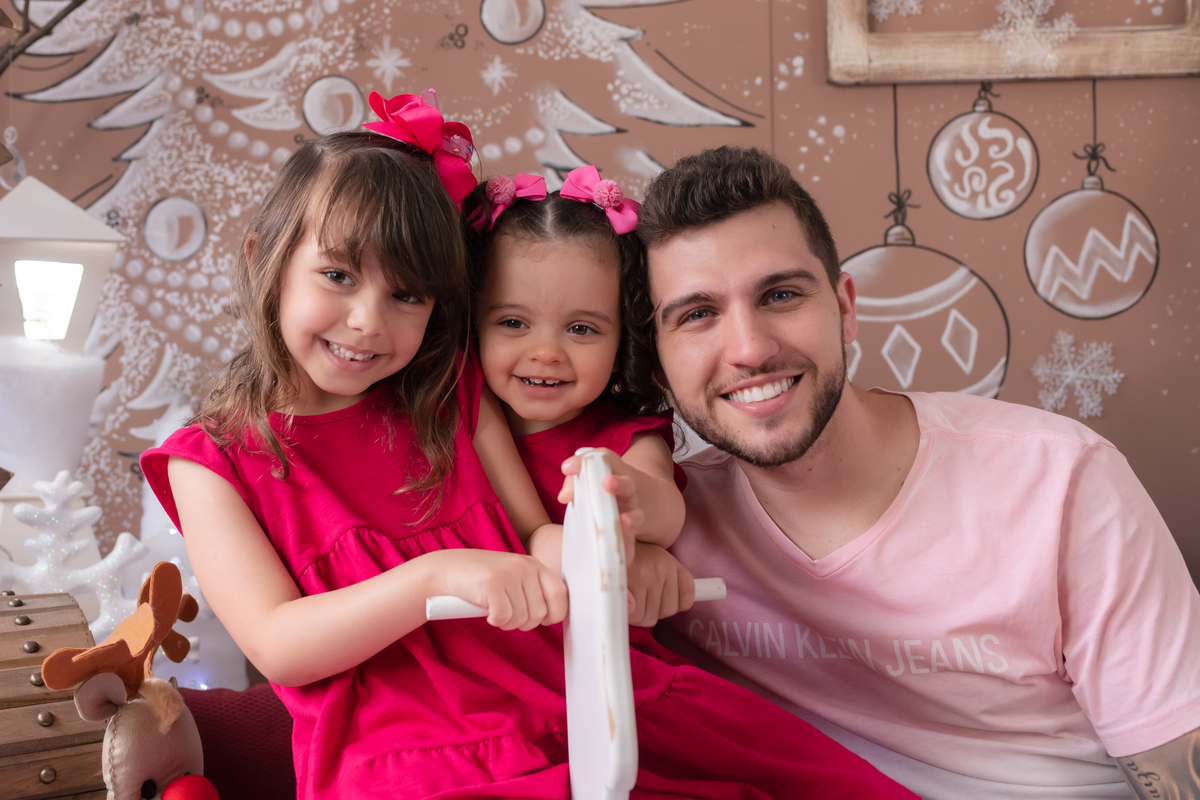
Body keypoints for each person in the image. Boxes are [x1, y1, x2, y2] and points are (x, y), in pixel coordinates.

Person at [139, 95, 914, 799]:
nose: (369, 321)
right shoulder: (212, 461)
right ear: (264, 262)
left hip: (576, 701)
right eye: (337, 276)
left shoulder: (448, 393)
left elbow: (535, 531)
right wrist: (440, 573)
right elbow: (279, 645)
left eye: (406, 294)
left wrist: (609, 557)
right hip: (411, 754)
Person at [631, 145, 1200, 800]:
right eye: (697, 315)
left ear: (845, 308)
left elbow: (1178, 776)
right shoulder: (661, 524)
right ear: (657, 363)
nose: (751, 349)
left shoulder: (1059, 480)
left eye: (781, 295)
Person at [461, 167, 690, 623]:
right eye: (513, 323)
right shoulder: (456, 420)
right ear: (474, 324)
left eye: (581, 329)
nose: (546, 353)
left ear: (623, 343)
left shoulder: (628, 440)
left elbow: (666, 509)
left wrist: (625, 497)